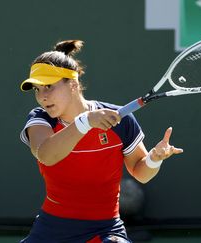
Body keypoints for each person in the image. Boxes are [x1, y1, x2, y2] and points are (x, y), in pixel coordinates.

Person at [19, 40, 183, 243]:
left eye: (49, 87)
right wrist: (86, 122)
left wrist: (155, 158)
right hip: (51, 229)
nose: (42, 97)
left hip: (105, 229)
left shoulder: (121, 121)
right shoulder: (40, 120)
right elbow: (46, 154)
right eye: (37, 89)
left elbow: (141, 173)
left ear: (73, 84)